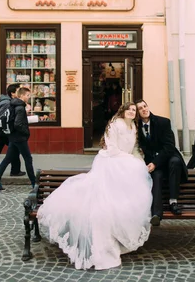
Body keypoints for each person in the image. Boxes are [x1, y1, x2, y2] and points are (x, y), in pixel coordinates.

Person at [37, 102, 152, 270]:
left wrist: (138, 162)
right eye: (129, 109)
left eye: (134, 110)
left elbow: (133, 148)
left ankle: (121, 233)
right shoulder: (115, 124)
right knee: (103, 199)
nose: (132, 112)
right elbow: (112, 148)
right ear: (123, 111)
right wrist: (129, 160)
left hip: (126, 163)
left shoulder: (133, 126)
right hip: (112, 162)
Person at [135, 99, 188, 227]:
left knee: (175, 162)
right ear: (137, 113)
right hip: (153, 162)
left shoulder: (163, 122)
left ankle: (173, 202)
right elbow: (144, 148)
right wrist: (150, 163)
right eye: (140, 108)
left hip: (168, 157)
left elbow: (169, 146)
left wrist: (155, 162)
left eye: (145, 106)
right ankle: (156, 214)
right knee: (156, 176)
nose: (144, 109)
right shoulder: (137, 127)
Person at [0, 87, 36, 191]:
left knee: (7, 159)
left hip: (12, 137)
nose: (29, 98)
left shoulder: (12, 104)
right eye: (27, 95)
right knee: (28, 159)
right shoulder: (20, 108)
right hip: (19, 138)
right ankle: (34, 183)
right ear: (22, 96)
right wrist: (26, 132)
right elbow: (18, 124)